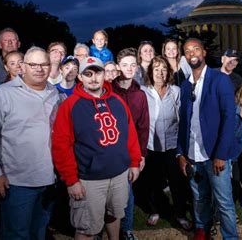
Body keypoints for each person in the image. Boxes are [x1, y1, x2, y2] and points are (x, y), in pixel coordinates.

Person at [0, 46, 62, 240]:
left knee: (39, 231)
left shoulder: (55, 94)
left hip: (50, 179)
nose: (39, 69)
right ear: (23, 66)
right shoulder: (1, 95)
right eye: (33, 64)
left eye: (44, 64)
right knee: (16, 234)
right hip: (17, 182)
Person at [52, 56, 141, 240]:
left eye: (97, 72)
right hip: (89, 180)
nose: (93, 78)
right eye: (88, 73)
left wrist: (134, 161)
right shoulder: (70, 105)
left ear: (104, 75)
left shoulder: (117, 100)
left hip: (119, 175)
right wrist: (71, 180)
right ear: (80, 77)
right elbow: (61, 145)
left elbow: (129, 133)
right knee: (86, 228)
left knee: (114, 215)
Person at [177, 38, 238, 239]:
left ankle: (230, 237)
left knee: (224, 202)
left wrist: (221, 154)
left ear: (203, 52)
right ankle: (203, 231)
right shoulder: (185, 86)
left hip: (215, 155)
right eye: (187, 50)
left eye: (195, 49)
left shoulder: (219, 79)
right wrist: (180, 153)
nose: (192, 53)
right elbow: (183, 123)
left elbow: (230, 119)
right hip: (193, 154)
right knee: (199, 198)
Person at [140, 56, 191, 230]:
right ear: (150, 72)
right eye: (156, 69)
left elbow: (181, 119)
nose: (160, 73)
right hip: (151, 146)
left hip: (172, 145)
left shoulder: (175, 91)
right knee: (153, 182)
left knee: (177, 182)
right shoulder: (143, 91)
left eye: (163, 69)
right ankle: (155, 211)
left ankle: (180, 214)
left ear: (168, 72)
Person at [111, 48, 149, 240]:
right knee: (106, 193)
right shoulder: (108, 90)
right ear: (118, 66)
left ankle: (127, 229)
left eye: (132, 65)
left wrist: (141, 155)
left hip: (130, 151)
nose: (129, 68)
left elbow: (143, 127)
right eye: (124, 64)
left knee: (127, 192)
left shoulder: (140, 95)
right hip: (109, 149)